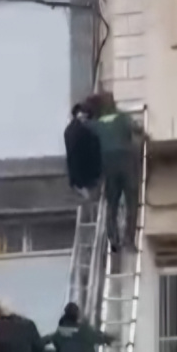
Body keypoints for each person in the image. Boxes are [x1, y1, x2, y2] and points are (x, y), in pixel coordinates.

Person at [83, 92, 143, 252]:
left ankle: (113, 239)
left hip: (108, 166)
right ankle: (129, 240)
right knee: (131, 203)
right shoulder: (122, 118)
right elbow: (138, 129)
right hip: (127, 163)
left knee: (112, 204)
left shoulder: (96, 125)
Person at [64, 103, 102, 196]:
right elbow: (94, 152)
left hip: (75, 176)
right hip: (87, 175)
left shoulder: (68, 130)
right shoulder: (87, 130)